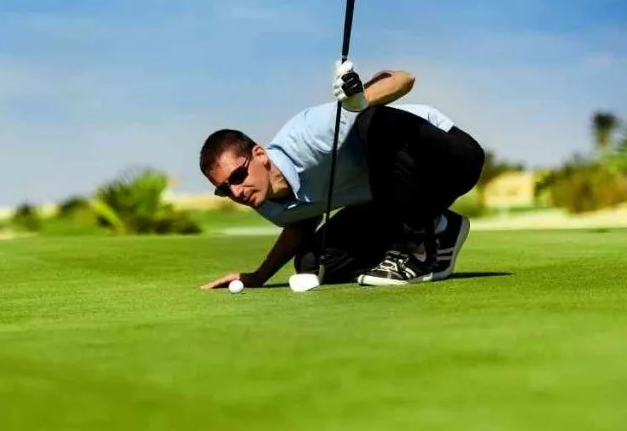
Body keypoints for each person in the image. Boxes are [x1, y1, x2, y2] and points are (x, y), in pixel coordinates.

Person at [198, 60, 485, 289]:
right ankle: (441, 225)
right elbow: (299, 224)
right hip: (398, 199)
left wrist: (361, 99)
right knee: (313, 264)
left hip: (450, 161)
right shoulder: (262, 200)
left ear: (259, 155)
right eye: (224, 189)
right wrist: (258, 277)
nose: (235, 192)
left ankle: (420, 249)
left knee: (370, 121)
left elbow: (403, 78)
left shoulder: (311, 133)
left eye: (237, 177)